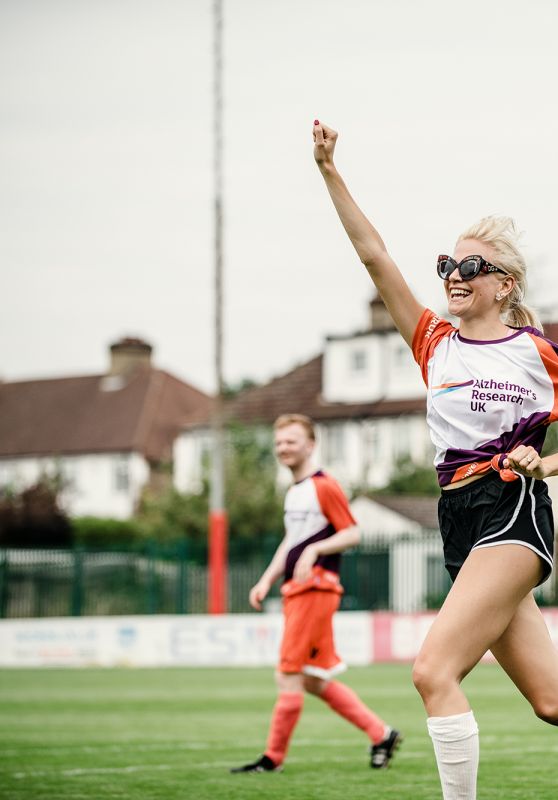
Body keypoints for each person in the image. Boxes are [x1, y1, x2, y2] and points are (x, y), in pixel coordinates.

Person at [312, 119, 558, 799]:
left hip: (512, 516)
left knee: (431, 672)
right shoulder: (433, 341)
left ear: (505, 284)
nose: (455, 275)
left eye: (472, 266)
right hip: (458, 521)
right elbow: (374, 255)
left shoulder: (537, 353)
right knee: (551, 703)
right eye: (448, 264)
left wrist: (547, 463)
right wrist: (330, 169)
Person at [231, 413, 402, 773]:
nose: (283, 448)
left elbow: (352, 533)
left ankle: (271, 759)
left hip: (317, 588)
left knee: (288, 673)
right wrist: (266, 580)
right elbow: (290, 542)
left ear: (310, 445)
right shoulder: (295, 491)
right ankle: (381, 733)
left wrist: (315, 550)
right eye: (279, 442)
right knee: (311, 679)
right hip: (298, 589)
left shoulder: (324, 485)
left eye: (291, 441)